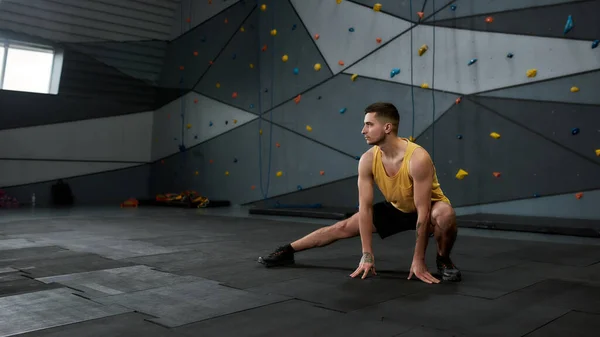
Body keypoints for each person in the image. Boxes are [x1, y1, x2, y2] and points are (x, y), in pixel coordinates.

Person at [257, 102, 461, 283]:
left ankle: (443, 260)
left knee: (445, 214)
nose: (363, 130)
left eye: (369, 124)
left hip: (428, 208)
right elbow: (365, 208)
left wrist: (418, 260)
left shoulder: (417, 158)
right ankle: (288, 250)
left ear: (387, 127)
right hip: (398, 207)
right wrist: (367, 254)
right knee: (343, 226)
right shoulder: (367, 160)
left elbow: (423, 212)